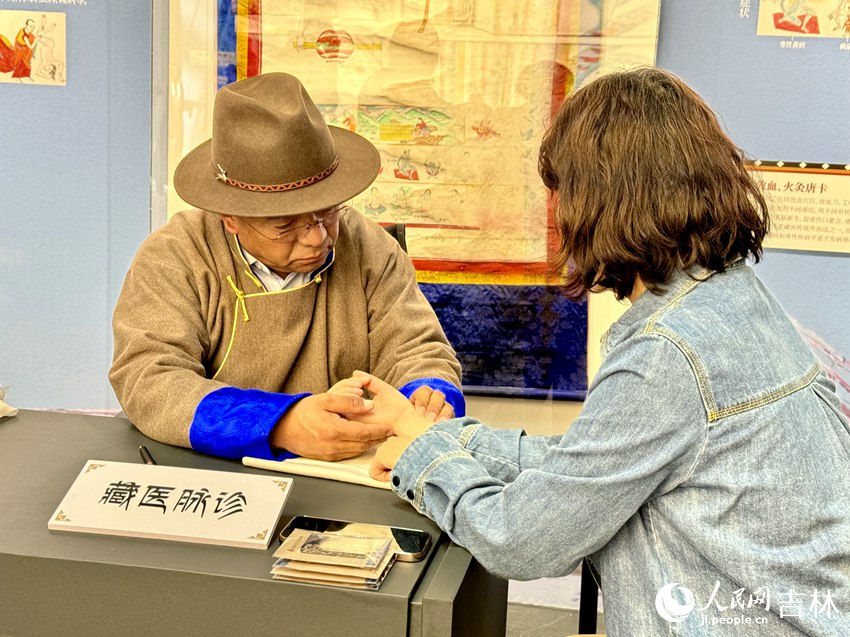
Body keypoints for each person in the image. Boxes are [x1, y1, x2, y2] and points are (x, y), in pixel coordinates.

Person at [350, 67, 850, 636]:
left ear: (596, 201)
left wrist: (424, 460)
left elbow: (522, 541)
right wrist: (440, 436)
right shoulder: (733, 299)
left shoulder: (666, 354)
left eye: (561, 190)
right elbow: (597, 464)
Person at [110, 72, 464, 462]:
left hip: (346, 478)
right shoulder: (175, 255)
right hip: (215, 475)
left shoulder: (370, 247)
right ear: (231, 217)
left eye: (328, 212)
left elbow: (416, 348)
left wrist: (427, 398)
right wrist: (280, 423)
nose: (317, 238)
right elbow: (149, 376)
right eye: (285, 225)